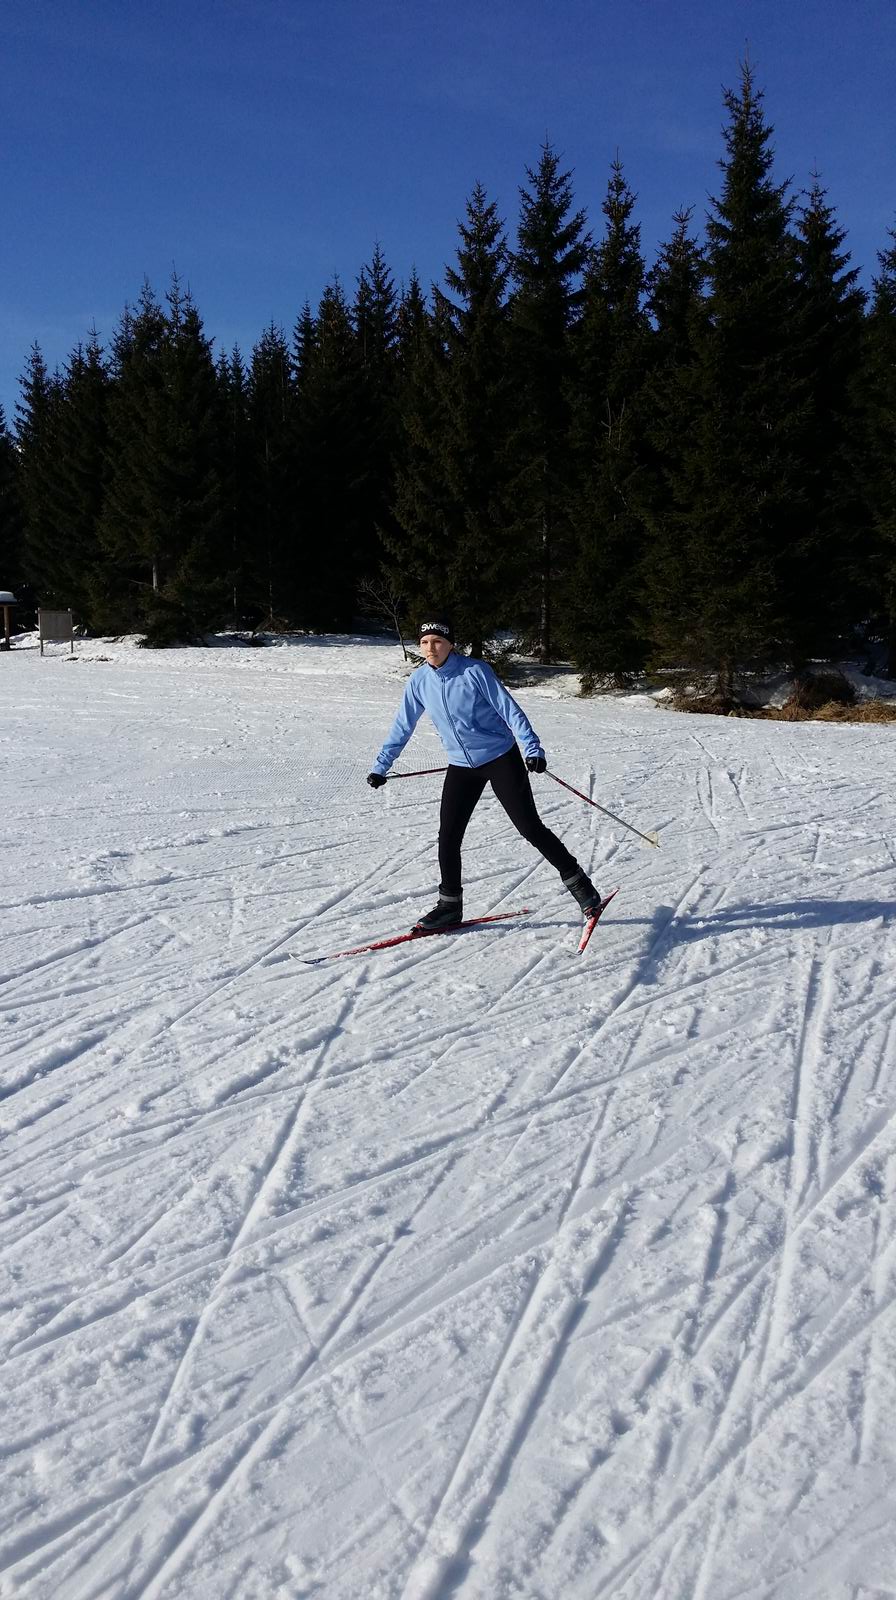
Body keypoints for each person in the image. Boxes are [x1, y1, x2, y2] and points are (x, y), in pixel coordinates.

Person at [367, 617, 602, 930]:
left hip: (499, 757)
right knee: (448, 836)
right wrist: (381, 766)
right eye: (424, 642)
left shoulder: (474, 671)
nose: (430, 648)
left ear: (451, 644)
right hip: (461, 766)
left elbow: (509, 710)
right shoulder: (419, 681)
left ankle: (582, 887)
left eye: (437, 641)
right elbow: (402, 725)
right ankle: (449, 906)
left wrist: (532, 749)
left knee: (529, 826)